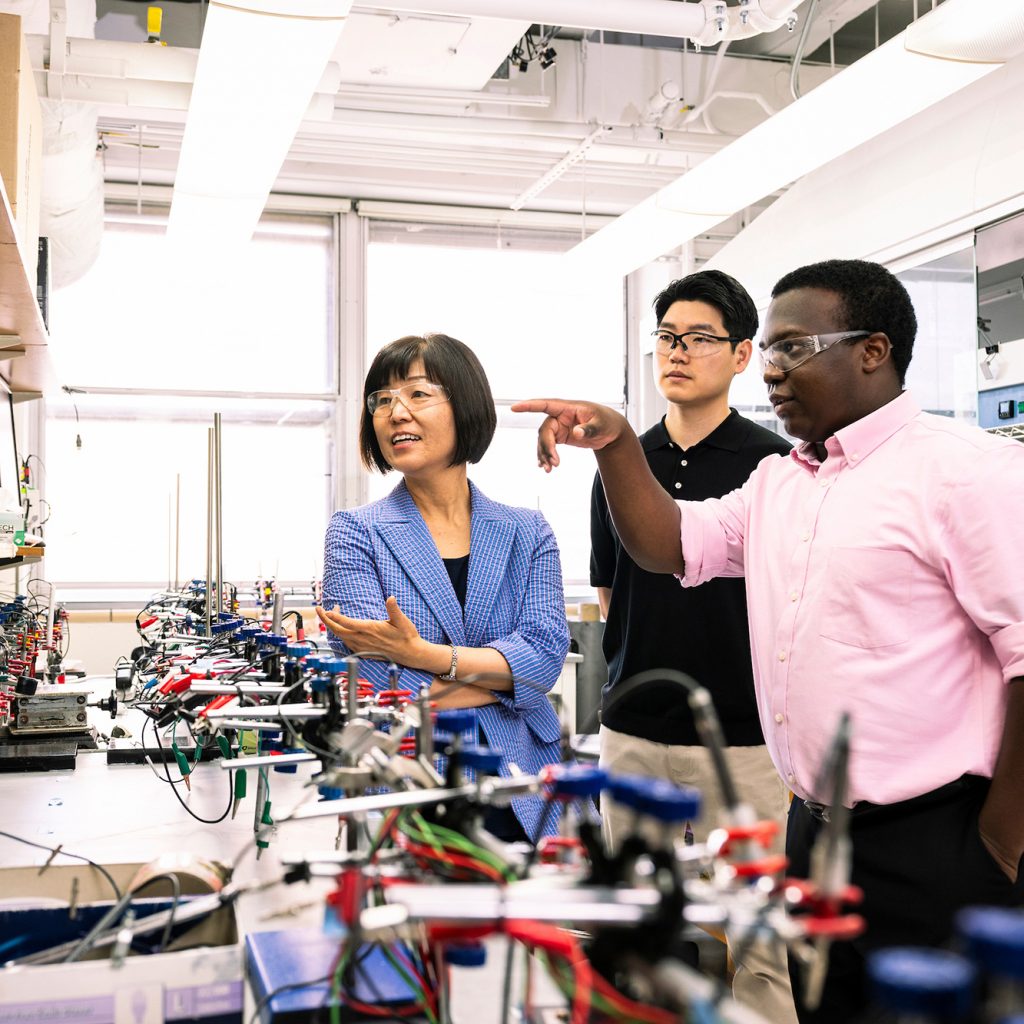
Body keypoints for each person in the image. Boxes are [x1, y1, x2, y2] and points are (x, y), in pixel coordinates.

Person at [513, 259, 1024, 1022]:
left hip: (938, 838)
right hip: (813, 829)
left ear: (873, 351)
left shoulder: (966, 473)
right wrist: (618, 443)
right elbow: (671, 544)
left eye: (792, 349)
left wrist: (1001, 844)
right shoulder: (781, 482)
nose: (774, 372)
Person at [591, 270, 796, 1021]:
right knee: (634, 921)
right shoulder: (620, 462)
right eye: (667, 337)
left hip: (743, 742)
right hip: (633, 733)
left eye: (700, 338)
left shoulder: (775, 466)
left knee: (758, 933)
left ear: (743, 354)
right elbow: (612, 596)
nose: (677, 352)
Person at [318, 333, 570, 843]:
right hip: (407, 776)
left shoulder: (528, 531)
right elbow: (376, 684)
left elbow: (544, 659)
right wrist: (504, 684)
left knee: (535, 918)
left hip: (523, 779)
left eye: (417, 393)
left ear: (466, 405)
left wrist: (420, 653)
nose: (395, 412)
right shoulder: (354, 533)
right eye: (381, 399)